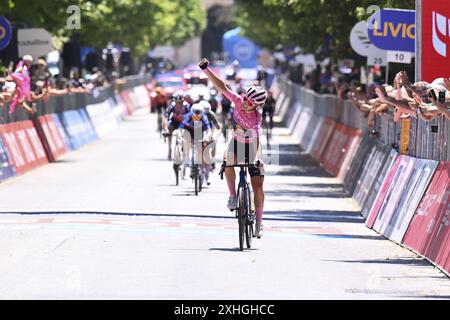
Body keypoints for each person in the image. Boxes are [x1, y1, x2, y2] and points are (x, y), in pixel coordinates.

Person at [199, 57, 267, 238]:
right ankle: (233, 195)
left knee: (258, 186)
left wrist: (256, 160)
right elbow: (223, 87)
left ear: (257, 105)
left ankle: (259, 222)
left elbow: (257, 141)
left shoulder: (256, 119)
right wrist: (206, 70)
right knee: (227, 162)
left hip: (252, 145)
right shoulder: (237, 101)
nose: (246, 103)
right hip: (236, 143)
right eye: (246, 99)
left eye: (251, 103)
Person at [179, 103, 212, 184]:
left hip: (199, 133)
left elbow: (208, 130)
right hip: (189, 133)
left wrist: (206, 137)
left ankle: (203, 172)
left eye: (199, 113)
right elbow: (180, 128)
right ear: (192, 112)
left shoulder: (204, 117)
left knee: (202, 150)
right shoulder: (188, 116)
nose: (197, 116)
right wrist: (180, 137)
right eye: (195, 113)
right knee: (186, 141)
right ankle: (186, 160)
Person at [163, 91, 190, 160]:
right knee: (169, 129)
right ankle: (169, 149)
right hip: (174, 122)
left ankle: (185, 150)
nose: (178, 104)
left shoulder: (187, 106)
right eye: (177, 102)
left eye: (180, 102)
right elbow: (166, 118)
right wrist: (166, 129)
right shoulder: (171, 106)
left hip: (184, 122)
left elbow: (191, 117)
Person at [199, 100, 221, 175]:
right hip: (199, 130)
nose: (205, 115)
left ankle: (212, 160)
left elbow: (217, 126)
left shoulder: (211, 114)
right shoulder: (196, 113)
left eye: (207, 113)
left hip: (209, 130)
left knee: (213, 143)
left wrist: (215, 134)